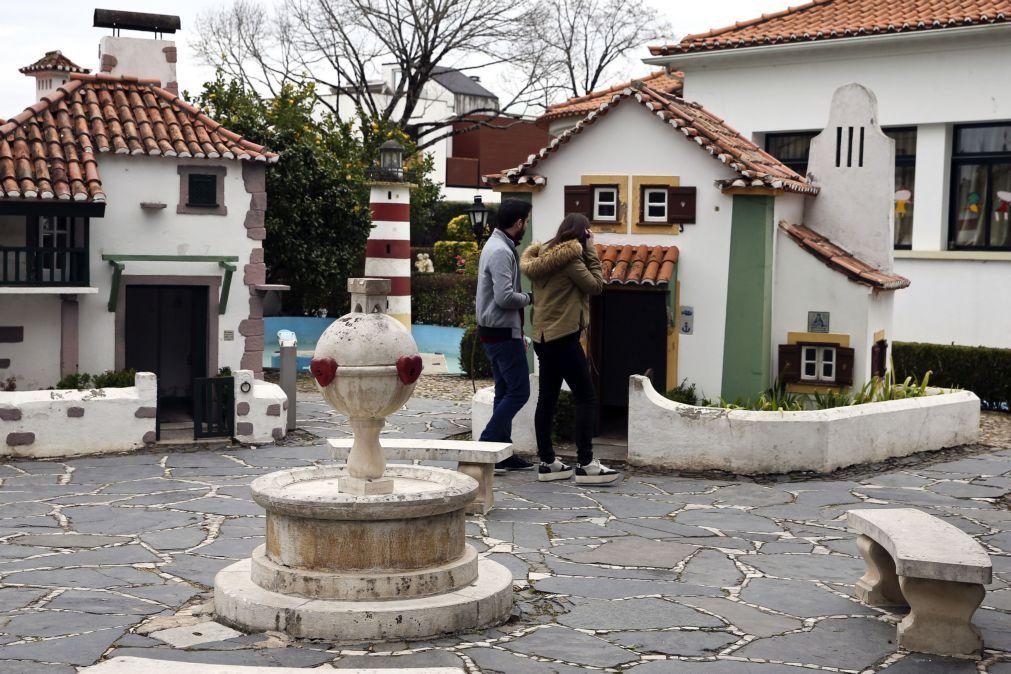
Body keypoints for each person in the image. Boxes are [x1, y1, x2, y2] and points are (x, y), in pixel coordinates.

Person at [520, 213, 620, 484]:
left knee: (547, 398)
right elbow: (596, 286)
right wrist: (590, 251)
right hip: (563, 337)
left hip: (542, 338)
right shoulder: (571, 259)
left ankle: (548, 461)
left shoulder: (541, 257)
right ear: (583, 233)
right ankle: (586, 463)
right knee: (587, 398)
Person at [475, 198, 535, 471]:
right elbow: (505, 297)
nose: (527, 227)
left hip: (495, 331)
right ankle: (487, 443)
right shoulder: (501, 251)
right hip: (501, 331)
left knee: (504, 391)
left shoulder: (495, 245)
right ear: (519, 222)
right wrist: (531, 298)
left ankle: (501, 452)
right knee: (520, 391)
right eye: (526, 222)